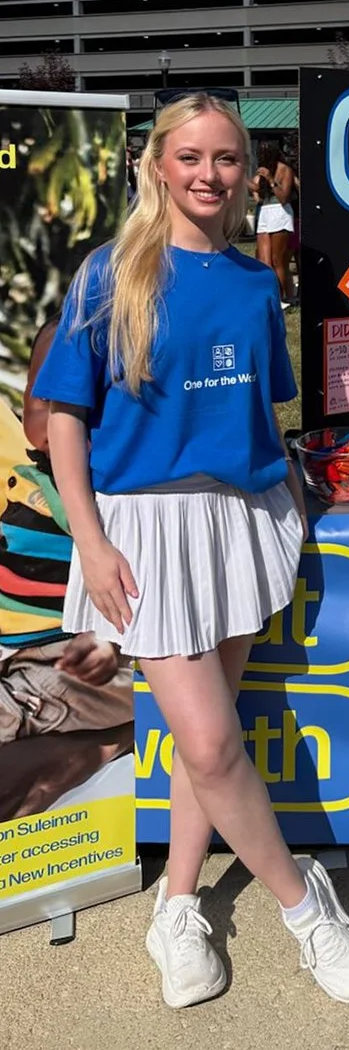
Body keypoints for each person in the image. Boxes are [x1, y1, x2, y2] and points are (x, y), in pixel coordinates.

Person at [33, 93, 349, 1010]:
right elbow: (63, 416)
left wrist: (297, 508)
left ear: (246, 172)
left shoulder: (256, 283)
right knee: (214, 741)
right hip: (146, 533)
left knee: (205, 739)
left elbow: (264, 411)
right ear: (157, 165)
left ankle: (177, 907)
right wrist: (90, 540)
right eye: (191, 157)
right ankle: (308, 908)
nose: (209, 175)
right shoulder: (110, 275)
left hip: (244, 520)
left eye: (226, 159)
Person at [1, 318, 133, 821]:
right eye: (42, 399)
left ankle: (110, 743)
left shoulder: (115, 498)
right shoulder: (30, 476)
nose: (58, 424)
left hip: (65, 664)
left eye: (86, 408)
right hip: (19, 651)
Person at [250, 141, 297, 308]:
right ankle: (270, 296)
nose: (261, 155)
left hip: (280, 212)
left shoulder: (284, 169)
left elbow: (284, 197)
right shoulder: (262, 170)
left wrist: (270, 179)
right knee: (264, 260)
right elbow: (255, 188)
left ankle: (283, 298)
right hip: (265, 212)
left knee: (278, 260)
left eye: (264, 152)